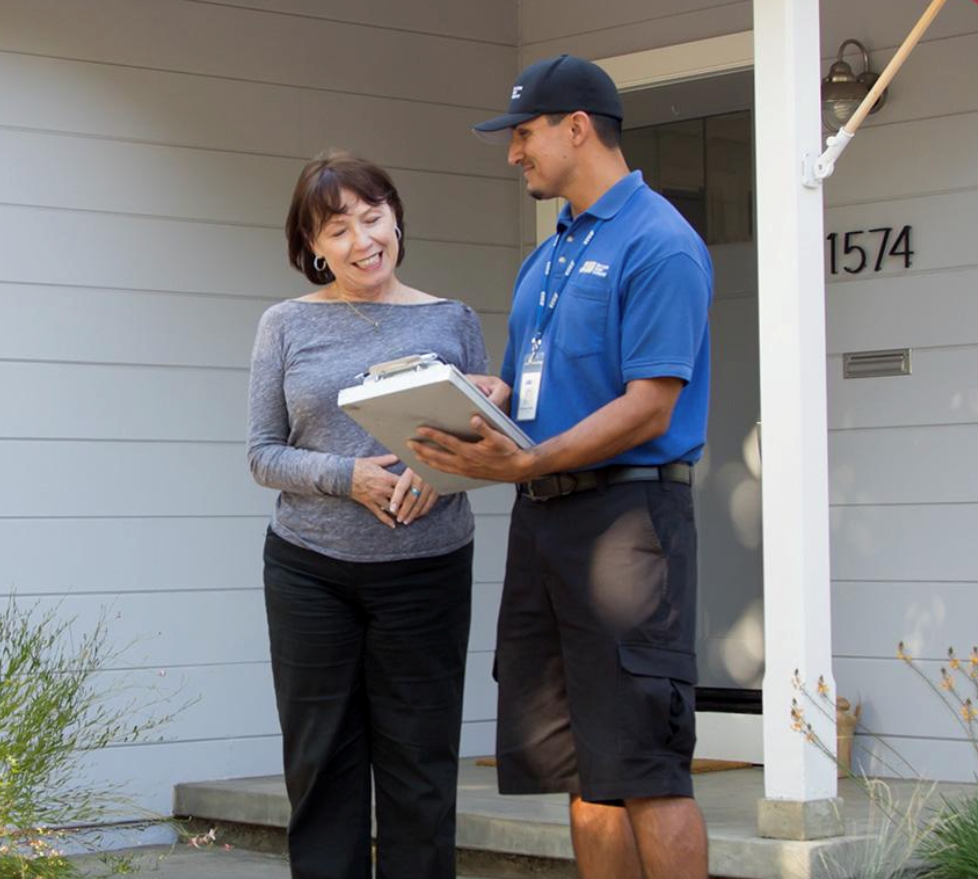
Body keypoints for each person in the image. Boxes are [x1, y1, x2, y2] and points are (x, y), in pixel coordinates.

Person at [410, 54, 713, 879]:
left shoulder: (660, 242)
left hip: (628, 528)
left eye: (525, 133)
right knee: (583, 768)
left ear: (577, 127)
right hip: (543, 521)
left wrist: (529, 457)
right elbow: (544, 391)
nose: (514, 152)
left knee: (647, 767)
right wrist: (483, 395)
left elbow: (651, 404)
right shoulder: (545, 259)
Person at [247, 149, 498, 879]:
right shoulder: (285, 326)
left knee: (420, 768)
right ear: (313, 248)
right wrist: (345, 477)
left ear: (395, 218)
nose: (362, 241)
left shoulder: (452, 320)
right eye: (337, 229)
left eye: (372, 217)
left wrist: (439, 473)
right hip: (309, 572)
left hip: (428, 570)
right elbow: (263, 454)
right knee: (321, 764)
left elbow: (489, 443)